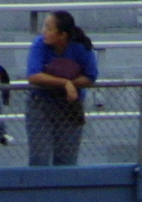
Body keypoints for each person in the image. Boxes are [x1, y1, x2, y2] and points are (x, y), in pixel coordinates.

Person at [23, 9, 94, 166]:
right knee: (39, 158)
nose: (44, 31)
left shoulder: (80, 47)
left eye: (49, 28)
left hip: (70, 106)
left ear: (62, 35)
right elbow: (33, 75)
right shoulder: (39, 44)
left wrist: (71, 85)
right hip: (41, 104)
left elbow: (90, 76)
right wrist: (65, 83)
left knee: (67, 160)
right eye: (44, 27)